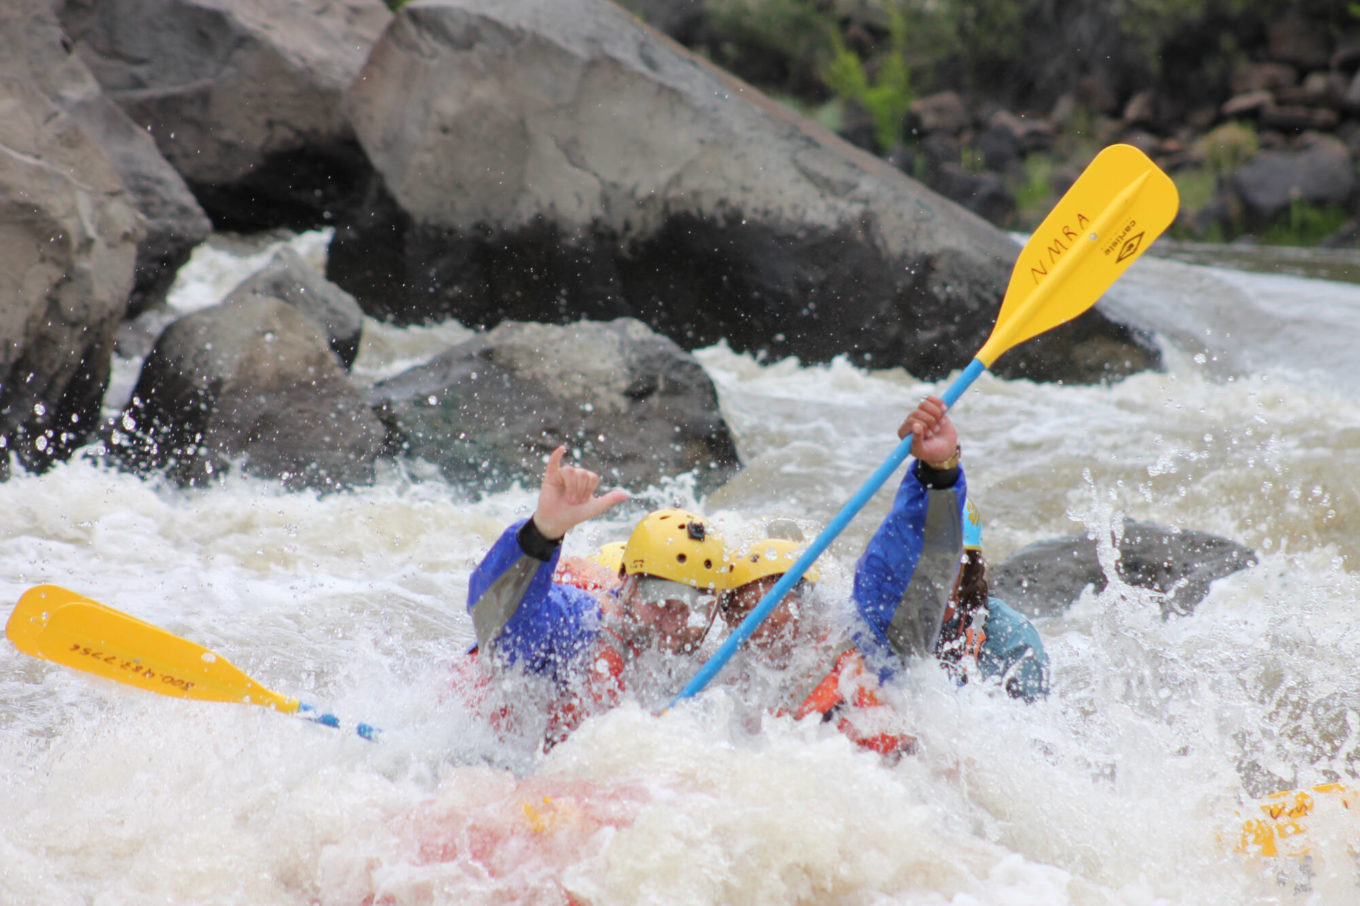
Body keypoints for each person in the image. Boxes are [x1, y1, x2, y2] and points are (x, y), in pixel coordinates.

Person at [465, 444, 729, 748]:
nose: (674, 624)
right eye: (660, 599)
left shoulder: (693, 662)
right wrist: (541, 533)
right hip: (479, 757)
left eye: (696, 608)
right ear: (625, 580)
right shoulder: (580, 623)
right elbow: (497, 616)